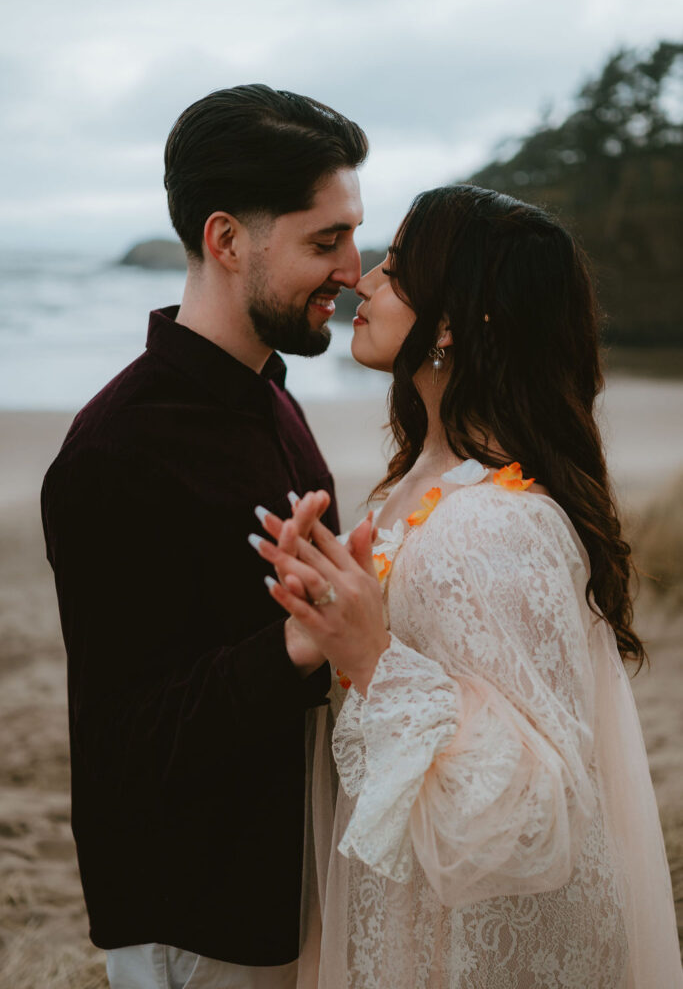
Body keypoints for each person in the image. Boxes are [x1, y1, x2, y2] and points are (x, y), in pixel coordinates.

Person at [252, 185, 683, 987]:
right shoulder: (417, 485)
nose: (364, 280)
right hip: (407, 906)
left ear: (449, 322)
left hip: (467, 949)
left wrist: (373, 657)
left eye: (396, 266)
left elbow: (535, 810)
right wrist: (324, 603)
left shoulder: (495, 525)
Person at [40, 84, 367, 989]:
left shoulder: (270, 395)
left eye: (351, 237)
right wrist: (297, 641)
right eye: (324, 241)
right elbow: (125, 745)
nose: (352, 269)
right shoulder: (118, 454)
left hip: (291, 880)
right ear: (227, 241)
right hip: (199, 919)